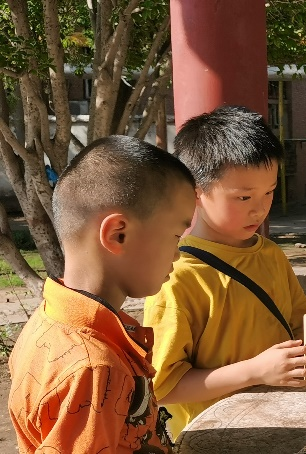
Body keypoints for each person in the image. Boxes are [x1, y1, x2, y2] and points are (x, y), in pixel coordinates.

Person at [144, 106, 306, 439]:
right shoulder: (177, 276)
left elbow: (301, 325)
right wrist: (255, 371)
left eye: (269, 191)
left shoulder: (270, 254)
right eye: (243, 197)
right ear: (196, 192)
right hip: (216, 437)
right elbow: (163, 386)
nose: (260, 208)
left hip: (287, 427)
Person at [7, 136, 196, 452]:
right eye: (176, 235)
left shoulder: (46, 323)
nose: (177, 254)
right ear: (118, 234)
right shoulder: (94, 369)